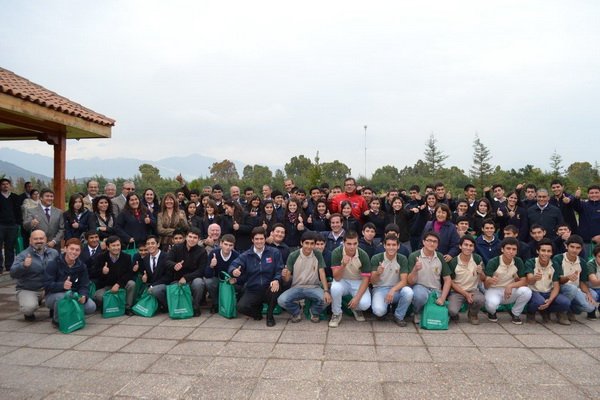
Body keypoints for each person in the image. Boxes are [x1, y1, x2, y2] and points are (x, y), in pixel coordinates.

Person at [229, 227, 284, 327]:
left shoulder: (274, 252)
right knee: (241, 307)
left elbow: (279, 269)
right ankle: (257, 313)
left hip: (269, 287)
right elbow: (233, 265)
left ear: (265, 239)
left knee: (276, 288)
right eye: (256, 239)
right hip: (253, 289)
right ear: (252, 240)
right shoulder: (246, 255)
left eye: (261, 239)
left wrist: (276, 279)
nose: (259, 241)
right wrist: (234, 271)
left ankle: (270, 316)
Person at [278, 231, 331, 323]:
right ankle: (296, 312)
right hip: (297, 287)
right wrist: (284, 274)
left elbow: (322, 273)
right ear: (301, 243)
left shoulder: (317, 254)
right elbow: (286, 279)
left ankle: (314, 312)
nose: (309, 246)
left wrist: (326, 291)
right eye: (306, 243)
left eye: (312, 243)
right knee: (281, 300)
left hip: (314, 287)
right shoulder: (293, 255)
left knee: (327, 299)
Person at [154, 227, 208, 316]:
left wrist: (186, 278)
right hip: (176, 281)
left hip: (192, 280)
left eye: (195, 238)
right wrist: (174, 265)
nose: (192, 239)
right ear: (186, 237)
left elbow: (201, 271)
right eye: (190, 236)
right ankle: (170, 306)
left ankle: (195, 307)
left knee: (199, 283)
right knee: (156, 290)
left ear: (198, 239)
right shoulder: (176, 248)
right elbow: (167, 261)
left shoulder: (202, 251)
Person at [44, 238, 97, 327]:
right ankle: (57, 320)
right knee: (63, 297)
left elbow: (84, 285)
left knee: (91, 307)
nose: (74, 252)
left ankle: (70, 312)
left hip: (73, 294)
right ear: (65, 249)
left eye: (77, 250)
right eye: (71, 249)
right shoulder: (53, 263)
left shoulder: (82, 266)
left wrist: (83, 295)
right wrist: (62, 285)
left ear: (80, 252)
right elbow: (47, 285)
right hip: (53, 295)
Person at [10, 229, 59, 320]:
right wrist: (23, 265)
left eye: (41, 238)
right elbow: (12, 273)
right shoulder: (23, 255)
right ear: (30, 240)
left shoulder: (54, 253)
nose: (39, 241)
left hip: (49, 288)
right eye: (35, 239)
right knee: (28, 308)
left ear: (46, 239)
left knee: (62, 295)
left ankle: (53, 308)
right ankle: (30, 309)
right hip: (29, 289)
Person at [483, 237, 532, 325]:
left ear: (516, 251)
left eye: (514, 249)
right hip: (494, 290)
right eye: (508, 248)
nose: (511, 251)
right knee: (492, 304)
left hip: (510, 291)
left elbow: (524, 281)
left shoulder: (518, 261)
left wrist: (510, 286)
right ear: (502, 249)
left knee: (527, 291)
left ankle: (515, 313)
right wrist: (490, 280)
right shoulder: (494, 262)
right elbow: (486, 285)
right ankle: (492, 312)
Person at [328, 231, 372, 327]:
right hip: (342, 280)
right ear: (343, 243)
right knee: (335, 288)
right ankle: (336, 313)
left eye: (355, 243)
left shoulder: (363, 255)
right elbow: (336, 277)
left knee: (365, 304)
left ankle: (356, 309)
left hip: (358, 281)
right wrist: (343, 265)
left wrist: (357, 298)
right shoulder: (337, 252)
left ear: (358, 243)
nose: (352, 247)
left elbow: (366, 279)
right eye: (349, 244)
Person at [407, 232, 452, 325]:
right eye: (429, 240)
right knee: (420, 296)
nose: (432, 243)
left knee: (445, 312)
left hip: (435, 290)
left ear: (438, 244)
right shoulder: (414, 256)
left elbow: (448, 279)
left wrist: (443, 298)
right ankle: (417, 312)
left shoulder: (440, 256)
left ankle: (428, 312)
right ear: (423, 242)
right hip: (420, 288)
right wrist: (415, 269)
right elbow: (410, 281)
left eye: (435, 241)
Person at [525, 239, 571, 325]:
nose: (546, 253)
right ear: (537, 251)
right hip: (534, 291)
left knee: (565, 302)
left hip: (548, 292)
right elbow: (529, 280)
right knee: (539, 301)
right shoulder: (531, 262)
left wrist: (550, 300)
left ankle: (546, 311)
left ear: (552, 253)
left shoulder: (555, 264)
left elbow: (556, 286)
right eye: (543, 250)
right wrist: (535, 278)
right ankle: (530, 313)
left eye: (548, 251)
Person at [370, 234, 413, 326]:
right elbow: (373, 281)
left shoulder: (402, 259)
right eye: (388, 245)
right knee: (379, 311)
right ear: (384, 246)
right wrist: (377, 273)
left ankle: (398, 316)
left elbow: (404, 281)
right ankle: (385, 310)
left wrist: (393, 290)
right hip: (380, 289)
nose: (391, 247)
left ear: (398, 246)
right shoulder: (376, 258)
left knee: (408, 292)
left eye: (394, 245)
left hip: (397, 289)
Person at [553, 235, 596, 320]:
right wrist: (567, 278)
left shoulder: (582, 262)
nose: (574, 250)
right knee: (572, 288)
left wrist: (588, 293)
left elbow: (582, 282)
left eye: (578, 248)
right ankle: (562, 312)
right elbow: (557, 280)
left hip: (576, 289)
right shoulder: (558, 258)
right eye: (572, 247)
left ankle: (571, 310)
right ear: (566, 246)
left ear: (581, 249)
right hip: (561, 288)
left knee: (592, 302)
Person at [92, 235, 137, 315]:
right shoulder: (101, 257)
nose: (116, 248)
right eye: (113, 245)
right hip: (107, 286)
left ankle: (127, 307)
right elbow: (94, 273)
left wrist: (118, 284)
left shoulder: (126, 257)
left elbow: (129, 273)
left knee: (131, 284)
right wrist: (102, 272)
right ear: (108, 247)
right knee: (98, 296)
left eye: (118, 245)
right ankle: (109, 306)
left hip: (121, 285)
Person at [448, 236, 486, 324]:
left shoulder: (477, 259)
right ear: (460, 246)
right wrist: (465, 294)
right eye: (466, 245)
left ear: (473, 248)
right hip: (457, 291)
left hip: (473, 290)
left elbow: (483, 279)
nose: (468, 248)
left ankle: (472, 314)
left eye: (471, 245)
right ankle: (454, 314)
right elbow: (451, 282)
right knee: (452, 311)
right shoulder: (453, 262)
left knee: (481, 300)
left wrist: (481, 272)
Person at [205, 234, 240, 314]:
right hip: (217, 279)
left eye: (230, 245)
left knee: (240, 285)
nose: (227, 247)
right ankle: (216, 303)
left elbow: (241, 274)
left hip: (230, 280)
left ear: (233, 246)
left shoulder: (236, 255)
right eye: (225, 244)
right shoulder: (214, 253)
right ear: (221, 243)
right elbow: (207, 274)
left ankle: (232, 303)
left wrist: (235, 277)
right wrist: (211, 266)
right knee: (209, 282)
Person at [140, 235, 171, 311]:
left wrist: (152, 286)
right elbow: (147, 275)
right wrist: (144, 278)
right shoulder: (145, 259)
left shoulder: (167, 257)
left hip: (166, 285)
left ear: (158, 244)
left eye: (153, 243)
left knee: (155, 290)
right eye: (148, 244)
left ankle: (167, 306)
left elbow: (168, 277)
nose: (150, 246)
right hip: (152, 285)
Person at [0, 178, 23, 273]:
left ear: (10, 185)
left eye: (7, 184)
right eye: (3, 184)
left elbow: (19, 212)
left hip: (12, 225)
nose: (5, 185)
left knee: (10, 246)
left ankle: (9, 266)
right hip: (1, 225)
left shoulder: (15, 197)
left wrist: (18, 223)